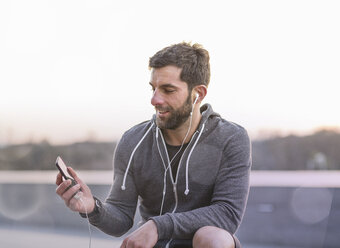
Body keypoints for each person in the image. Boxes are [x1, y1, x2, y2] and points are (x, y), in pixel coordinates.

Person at [56, 42, 251, 248]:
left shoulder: (230, 137)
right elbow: (121, 217)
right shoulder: (133, 141)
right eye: (154, 88)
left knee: (213, 238)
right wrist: (93, 208)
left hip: (202, 244)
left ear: (198, 94)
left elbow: (227, 214)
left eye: (168, 90)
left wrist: (158, 226)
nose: (154, 99)